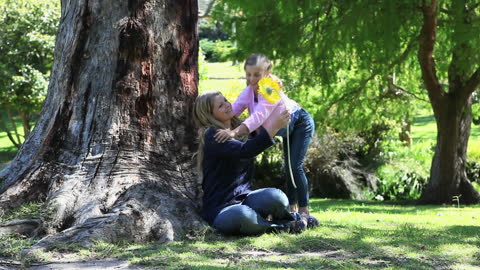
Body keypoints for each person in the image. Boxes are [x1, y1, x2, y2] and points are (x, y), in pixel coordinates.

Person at [193, 91, 318, 235]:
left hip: (246, 198)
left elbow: (264, 115)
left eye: (226, 100)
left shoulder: (242, 128)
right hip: (222, 208)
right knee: (243, 215)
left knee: (276, 197)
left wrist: (286, 105)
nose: (227, 105)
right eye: (220, 106)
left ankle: (294, 219)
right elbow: (246, 150)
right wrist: (273, 127)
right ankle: (286, 225)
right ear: (209, 114)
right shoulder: (213, 135)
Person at [215, 53, 315, 216]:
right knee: (288, 167)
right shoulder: (249, 91)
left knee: (294, 167)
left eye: (257, 75)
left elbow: (259, 116)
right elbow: (235, 109)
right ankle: (292, 208)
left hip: (300, 124)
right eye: (248, 74)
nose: (252, 79)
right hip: (285, 128)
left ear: (267, 73)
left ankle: (304, 209)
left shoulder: (271, 90)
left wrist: (234, 132)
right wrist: (215, 118)